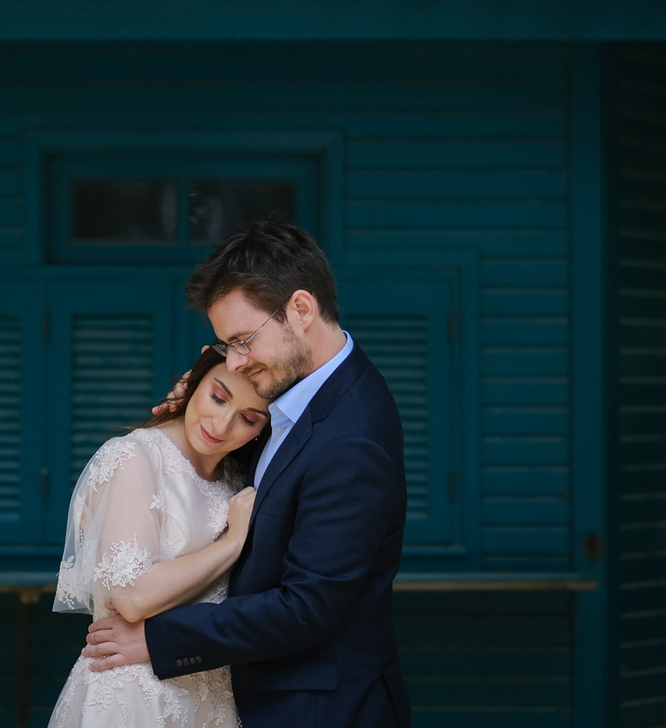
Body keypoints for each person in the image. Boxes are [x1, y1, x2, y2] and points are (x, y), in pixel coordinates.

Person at [81, 220, 412, 728]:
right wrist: (195, 398)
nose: (235, 361)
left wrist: (156, 639)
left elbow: (305, 608)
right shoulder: (291, 393)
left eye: (242, 340)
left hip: (318, 711)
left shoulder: (353, 437)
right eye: (223, 347)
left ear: (300, 310)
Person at [50, 347, 270, 728]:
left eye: (247, 419)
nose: (220, 426)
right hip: (135, 699)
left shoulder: (238, 482)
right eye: (216, 397)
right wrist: (232, 543)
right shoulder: (134, 458)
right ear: (192, 384)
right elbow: (132, 597)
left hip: (213, 700)